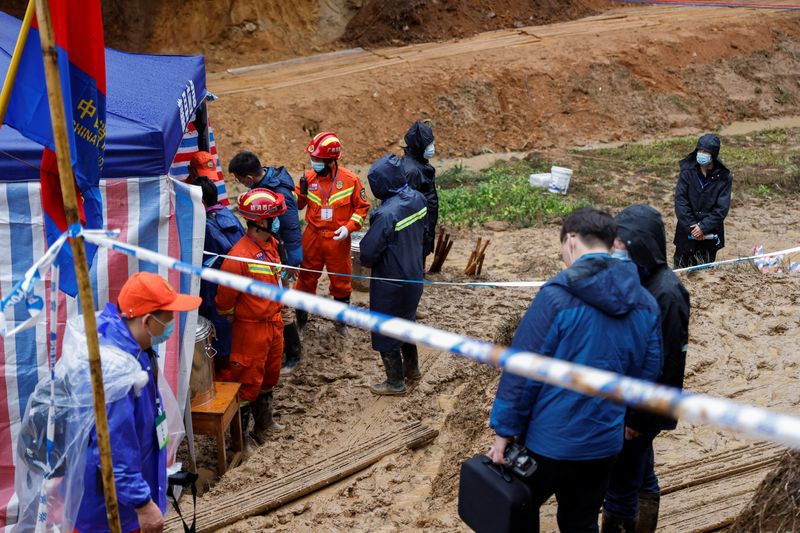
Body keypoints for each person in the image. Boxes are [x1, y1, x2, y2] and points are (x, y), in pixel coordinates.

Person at [487, 207, 663, 533]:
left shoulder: (556, 297)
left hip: (548, 443)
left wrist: (503, 431)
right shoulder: (645, 302)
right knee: (581, 520)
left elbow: (522, 371)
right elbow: (648, 371)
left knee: (517, 511)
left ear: (570, 241)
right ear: (611, 244)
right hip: (604, 443)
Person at [75, 272, 202, 533]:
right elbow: (112, 450)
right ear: (148, 321)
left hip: (128, 497)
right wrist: (142, 503)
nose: (171, 324)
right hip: (111, 512)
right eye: (168, 318)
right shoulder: (116, 372)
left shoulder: (137, 349)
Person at [603, 205, 691, 533]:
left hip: (643, 408)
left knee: (620, 488)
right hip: (629, 399)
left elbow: (669, 364)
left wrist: (638, 420)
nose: (616, 251)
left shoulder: (667, 293)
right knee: (640, 473)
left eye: (622, 246)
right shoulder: (637, 280)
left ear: (643, 245)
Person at [215, 189, 287, 445]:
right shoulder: (237, 258)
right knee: (247, 383)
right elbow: (224, 302)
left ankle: (264, 423)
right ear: (260, 222)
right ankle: (241, 440)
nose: (279, 221)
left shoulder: (271, 245)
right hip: (250, 331)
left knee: (270, 375)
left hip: (274, 324)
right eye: (275, 217)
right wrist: (246, 315)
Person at [228, 151, 304, 373]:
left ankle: (294, 353)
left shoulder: (280, 192)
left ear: (249, 178)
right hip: (273, 250)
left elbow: (291, 229)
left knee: (283, 304)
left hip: (285, 255)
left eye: (239, 180)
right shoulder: (263, 185)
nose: (239, 184)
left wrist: (292, 262)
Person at [359, 154, 428, 395]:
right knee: (407, 321)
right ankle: (413, 369)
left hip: (390, 281)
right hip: (414, 275)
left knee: (385, 328)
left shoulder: (386, 214)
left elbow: (368, 253)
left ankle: (395, 382)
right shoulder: (418, 199)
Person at [294, 131, 370, 335]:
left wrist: (348, 228)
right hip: (312, 235)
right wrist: (300, 192)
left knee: (341, 281)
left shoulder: (350, 180)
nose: (313, 163)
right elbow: (299, 206)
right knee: (306, 278)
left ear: (330, 160)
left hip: (338, 238)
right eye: (312, 158)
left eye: (317, 159)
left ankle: (340, 322)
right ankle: (301, 320)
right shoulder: (308, 178)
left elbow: (362, 208)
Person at [195, 176, 245, 372]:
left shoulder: (205, 227)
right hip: (238, 285)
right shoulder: (227, 214)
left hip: (216, 289)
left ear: (200, 202)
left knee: (220, 336)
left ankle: (225, 374)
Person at [673, 133, 732, 268]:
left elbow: (721, 208)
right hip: (686, 234)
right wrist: (692, 227)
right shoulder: (687, 171)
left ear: (713, 155)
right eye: (700, 150)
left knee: (704, 272)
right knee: (680, 272)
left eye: (706, 152)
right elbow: (680, 201)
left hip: (710, 235)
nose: (702, 154)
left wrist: (703, 227)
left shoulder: (724, 177)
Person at [401, 121, 439, 261]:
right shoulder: (411, 171)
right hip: (417, 231)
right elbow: (407, 207)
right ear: (419, 146)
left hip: (424, 227)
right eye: (429, 144)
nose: (432, 148)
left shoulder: (420, 164)